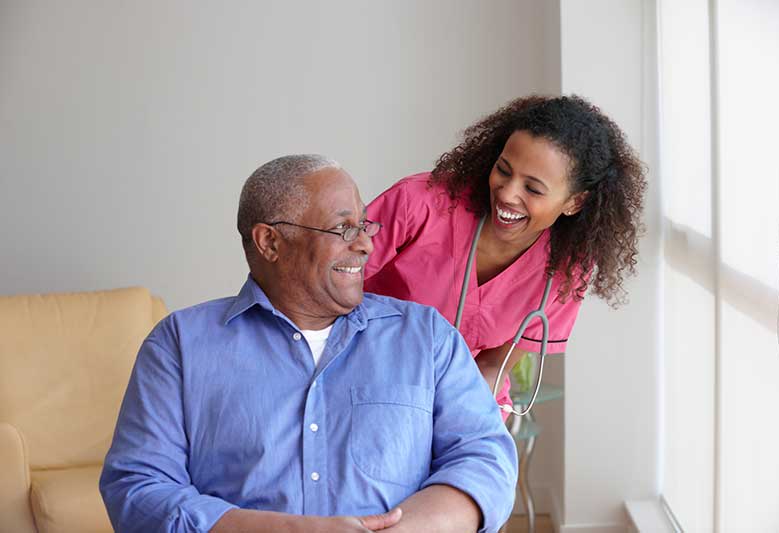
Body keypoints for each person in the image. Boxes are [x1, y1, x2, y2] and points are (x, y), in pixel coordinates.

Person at [99, 155, 517, 533]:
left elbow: (485, 459)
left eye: (364, 225)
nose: (366, 243)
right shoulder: (179, 345)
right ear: (270, 243)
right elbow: (136, 489)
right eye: (342, 228)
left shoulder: (427, 336)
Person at [365, 95, 646, 414]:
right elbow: (325, 287)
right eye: (503, 170)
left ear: (574, 202)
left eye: (533, 189)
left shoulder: (566, 267)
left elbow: (492, 367)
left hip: (462, 401)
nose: (507, 193)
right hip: (366, 378)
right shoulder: (418, 204)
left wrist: (456, 422)